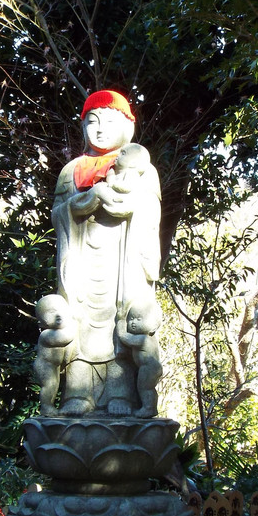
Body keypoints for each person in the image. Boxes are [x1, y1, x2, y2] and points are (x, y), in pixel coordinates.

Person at [49, 89, 162, 416]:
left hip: (121, 259)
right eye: (92, 122)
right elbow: (58, 212)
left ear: (127, 125)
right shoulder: (71, 170)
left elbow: (149, 211)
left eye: (109, 122)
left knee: (121, 322)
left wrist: (126, 204)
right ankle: (77, 396)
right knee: (79, 321)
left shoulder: (142, 169)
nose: (99, 130)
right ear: (83, 125)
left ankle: (122, 395)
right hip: (82, 260)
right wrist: (82, 203)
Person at [115, 296, 163, 418]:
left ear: (153, 326)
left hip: (148, 367)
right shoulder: (149, 338)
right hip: (149, 367)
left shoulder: (144, 339)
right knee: (147, 388)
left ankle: (149, 408)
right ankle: (149, 407)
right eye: (131, 318)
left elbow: (124, 337)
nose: (133, 322)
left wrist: (120, 321)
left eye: (139, 319)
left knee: (145, 388)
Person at [31, 294, 79, 415]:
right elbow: (66, 338)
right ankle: (46, 407)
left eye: (62, 310)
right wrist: (76, 324)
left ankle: (49, 405)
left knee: (54, 385)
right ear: (42, 322)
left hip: (54, 366)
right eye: (51, 312)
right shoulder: (46, 335)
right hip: (45, 366)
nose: (58, 315)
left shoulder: (58, 330)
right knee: (49, 386)